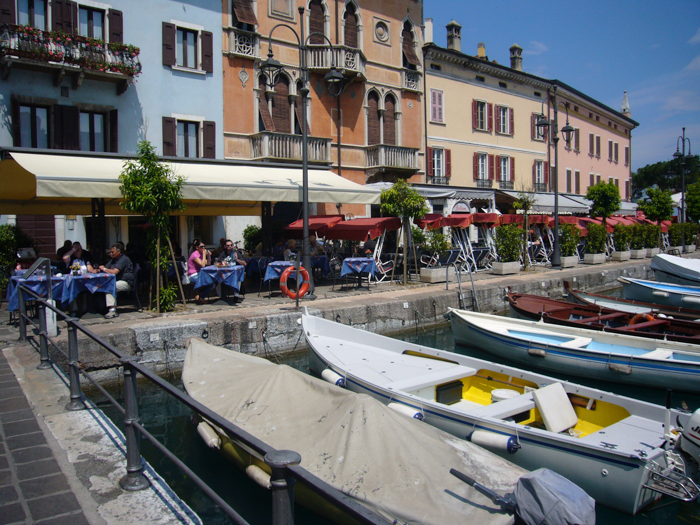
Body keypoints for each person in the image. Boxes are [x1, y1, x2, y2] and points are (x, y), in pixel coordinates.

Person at [97, 243, 134, 319]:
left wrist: (103, 269)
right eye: (110, 252)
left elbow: (114, 272)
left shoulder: (123, 259)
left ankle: (112, 310)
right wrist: (97, 270)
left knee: (110, 286)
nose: (111, 254)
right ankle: (101, 308)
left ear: (119, 251)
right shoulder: (113, 260)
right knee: (99, 286)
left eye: (112, 252)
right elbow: (106, 268)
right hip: (117, 280)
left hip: (126, 281)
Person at [188, 239, 211, 304]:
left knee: (213, 282)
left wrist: (208, 256)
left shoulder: (201, 255)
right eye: (201, 247)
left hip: (200, 274)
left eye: (204, 246)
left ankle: (200, 296)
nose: (203, 248)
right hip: (193, 275)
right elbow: (202, 265)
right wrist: (204, 255)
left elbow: (208, 264)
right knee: (207, 282)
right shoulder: (194, 255)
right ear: (197, 247)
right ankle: (198, 295)